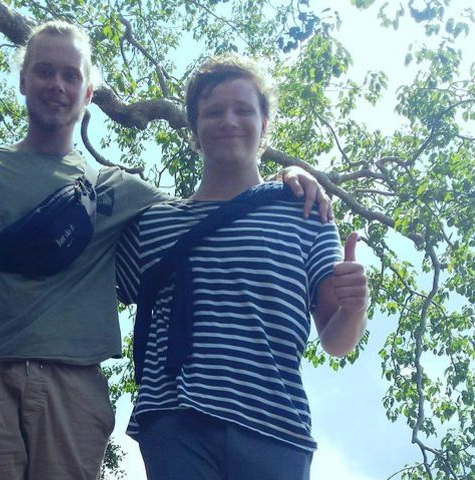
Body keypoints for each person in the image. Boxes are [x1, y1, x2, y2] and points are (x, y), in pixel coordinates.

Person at [0, 20, 332, 480]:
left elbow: (208, 212)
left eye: (71, 75)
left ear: (88, 93)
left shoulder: (118, 190)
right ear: (23, 80)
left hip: (73, 383)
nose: (57, 85)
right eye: (45, 71)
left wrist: (284, 183)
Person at [116, 53, 369, 480]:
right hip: (177, 421)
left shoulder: (306, 214)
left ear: (265, 124)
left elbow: (336, 340)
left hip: (277, 427)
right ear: (194, 130)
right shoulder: (154, 225)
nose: (228, 121)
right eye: (213, 112)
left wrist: (355, 308)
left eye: (243, 110)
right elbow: (81, 281)